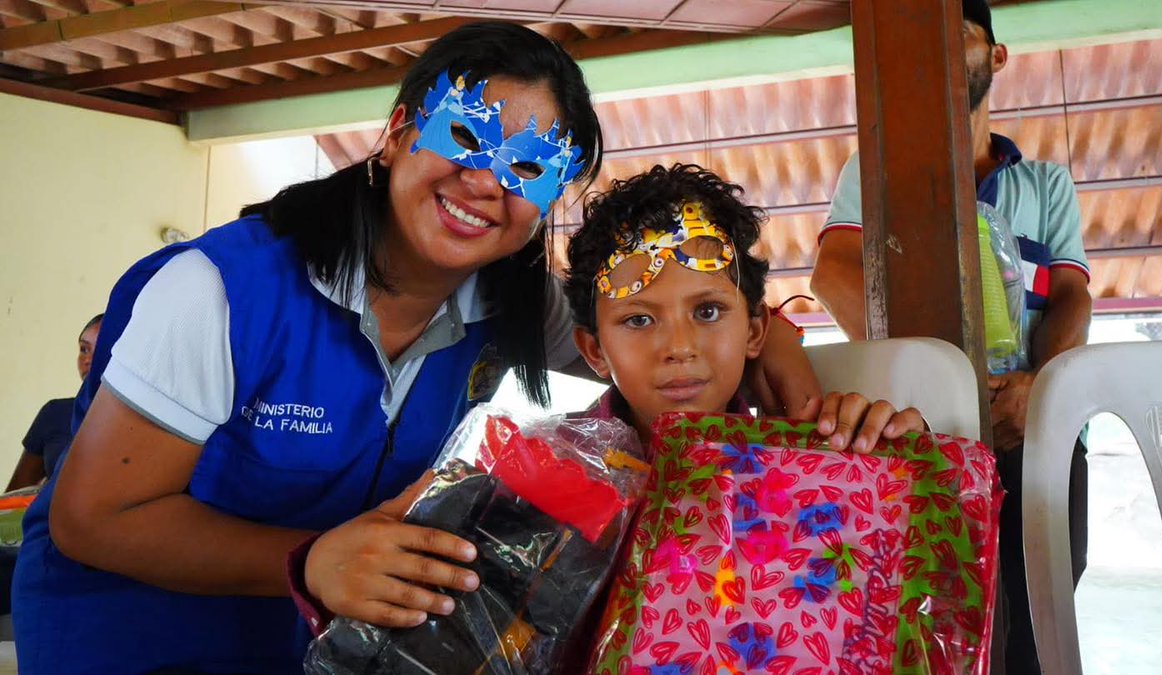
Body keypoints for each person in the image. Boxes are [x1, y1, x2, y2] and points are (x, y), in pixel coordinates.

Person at [15, 23, 825, 674]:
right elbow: (96, 518)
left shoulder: (511, 298)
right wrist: (310, 563)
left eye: (531, 169)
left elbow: (654, 313)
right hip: (127, 634)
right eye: (466, 134)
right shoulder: (221, 290)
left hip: (327, 640)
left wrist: (786, 356)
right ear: (398, 133)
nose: (487, 181)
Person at [808, 1, 1093, 670]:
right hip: (929, 435)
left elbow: (1073, 296)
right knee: (937, 626)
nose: (941, 54)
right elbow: (833, 273)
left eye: (959, 37)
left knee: (1039, 629)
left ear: (995, 57)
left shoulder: (1045, 184)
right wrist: (937, 388)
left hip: (1038, 433)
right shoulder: (871, 169)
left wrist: (1042, 392)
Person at [565, 163, 926, 454]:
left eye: (707, 312)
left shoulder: (808, 462)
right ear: (595, 350)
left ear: (754, 332)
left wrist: (894, 456)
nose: (679, 347)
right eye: (639, 319)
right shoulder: (542, 475)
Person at [6, 314, 102, 491]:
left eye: (101, 351)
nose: (88, 360)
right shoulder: (54, 414)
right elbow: (16, 494)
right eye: (84, 349)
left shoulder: (143, 417)